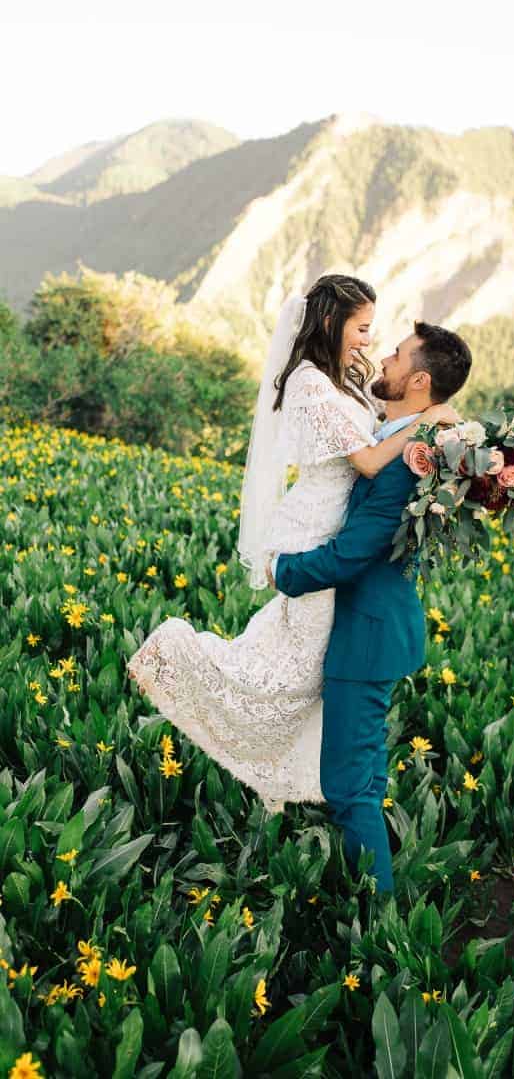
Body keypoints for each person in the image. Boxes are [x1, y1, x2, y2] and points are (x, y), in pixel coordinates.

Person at [127, 274, 459, 812]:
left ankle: (291, 777)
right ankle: (176, 658)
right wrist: (428, 424)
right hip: (314, 530)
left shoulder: (345, 377)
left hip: (337, 528)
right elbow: (372, 459)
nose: (370, 343)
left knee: (302, 670)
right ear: (331, 322)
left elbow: (376, 427)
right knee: (293, 674)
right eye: (363, 328)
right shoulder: (307, 381)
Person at [267, 320, 473, 895]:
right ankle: (373, 900)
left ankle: (376, 924)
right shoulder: (411, 435)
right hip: (377, 624)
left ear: (419, 380)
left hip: (367, 633)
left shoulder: (412, 456)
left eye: (397, 355)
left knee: (348, 786)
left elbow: (353, 554)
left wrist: (279, 570)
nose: (384, 358)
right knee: (365, 777)